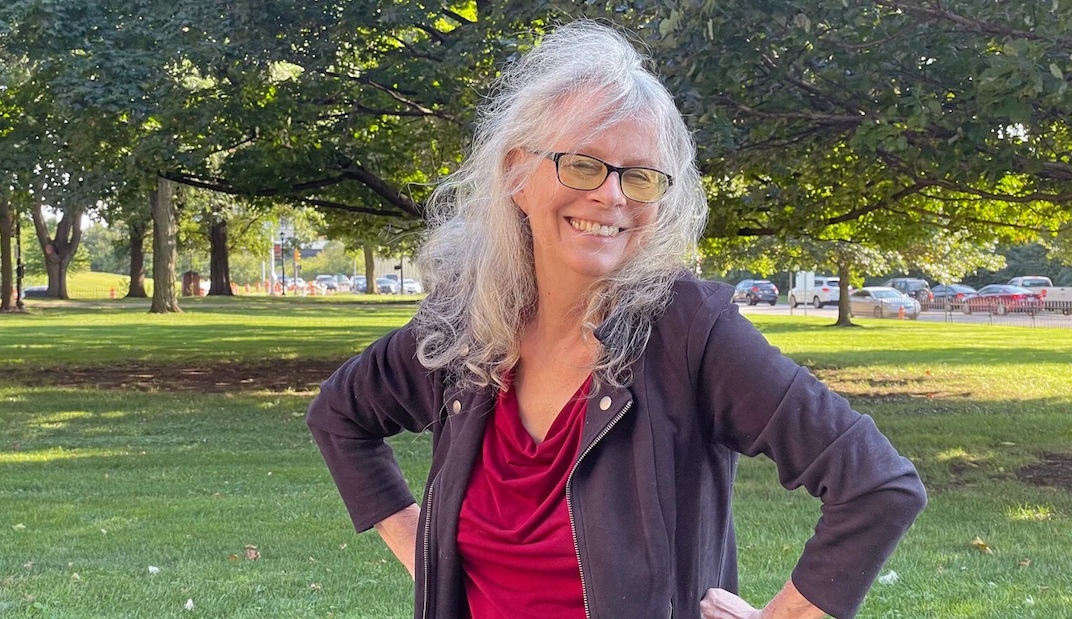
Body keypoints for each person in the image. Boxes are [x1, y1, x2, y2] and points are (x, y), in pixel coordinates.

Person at [307, 19, 926, 619]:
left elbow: (876, 485)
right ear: (517, 174)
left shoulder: (690, 332)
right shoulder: (464, 326)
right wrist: (425, 550)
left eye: (641, 176)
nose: (612, 195)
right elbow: (340, 415)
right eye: (583, 164)